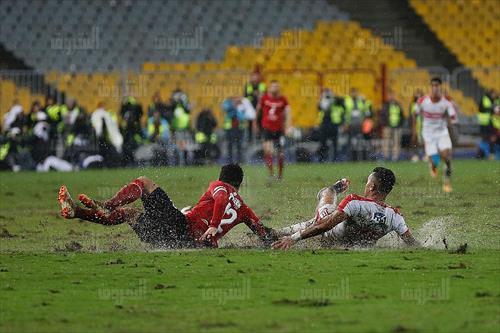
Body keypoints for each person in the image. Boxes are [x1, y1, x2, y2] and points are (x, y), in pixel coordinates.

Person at [57, 164, 277, 249]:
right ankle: (76, 212)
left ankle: (106, 205)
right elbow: (262, 233)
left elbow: (220, 200)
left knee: (144, 182)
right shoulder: (245, 209)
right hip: (181, 242)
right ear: (239, 184)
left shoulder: (220, 187)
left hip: (180, 227)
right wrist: (291, 235)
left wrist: (213, 224)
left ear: (222, 178)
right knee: (130, 214)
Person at [272, 167, 419, 249]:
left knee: (326, 194)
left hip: (329, 236)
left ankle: (336, 188)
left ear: (372, 186)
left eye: (367, 182)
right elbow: (413, 244)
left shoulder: (355, 202)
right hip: (352, 244)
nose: (366, 185)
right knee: (316, 221)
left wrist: (293, 239)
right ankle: (276, 233)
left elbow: (324, 225)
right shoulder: (396, 217)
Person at [411, 77, 458, 193]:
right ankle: (433, 166)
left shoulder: (446, 101)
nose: (435, 88)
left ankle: (447, 183)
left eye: (437, 86)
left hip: (442, 132)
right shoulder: (422, 101)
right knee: (433, 161)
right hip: (428, 133)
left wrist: (451, 125)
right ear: (430, 87)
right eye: (433, 86)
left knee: (446, 157)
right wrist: (414, 132)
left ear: (440, 87)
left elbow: (453, 118)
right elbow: (415, 114)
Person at [254, 80, 291, 180]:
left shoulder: (283, 99)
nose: (274, 88)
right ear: (270, 88)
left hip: (279, 130)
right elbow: (258, 110)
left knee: (280, 153)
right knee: (268, 151)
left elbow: (288, 113)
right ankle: (271, 174)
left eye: (276, 86)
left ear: (279, 88)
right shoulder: (264, 98)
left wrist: (288, 126)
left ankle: (280, 175)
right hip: (267, 128)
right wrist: (255, 124)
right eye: (273, 86)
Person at [317, 89, 345, 162]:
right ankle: (322, 159)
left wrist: (333, 97)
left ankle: (335, 159)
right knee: (323, 143)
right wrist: (322, 97)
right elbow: (319, 107)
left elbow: (341, 101)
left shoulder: (335, 101)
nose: (327, 96)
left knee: (335, 143)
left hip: (333, 124)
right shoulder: (323, 101)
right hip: (324, 124)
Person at [380, 92, 405, 161]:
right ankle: (386, 156)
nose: (391, 97)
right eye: (390, 95)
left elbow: (402, 115)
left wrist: (400, 124)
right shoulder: (385, 105)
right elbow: (382, 115)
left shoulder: (398, 105)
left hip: (397, 126)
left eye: (392, 95)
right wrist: (384, 124)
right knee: (386, 142)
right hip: (387, 126)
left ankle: (395, 157)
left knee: (396, 142)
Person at [244, 72, 266, 141]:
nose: (255, 78)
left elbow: (265, 95)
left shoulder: (262, 85)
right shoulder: (248, 85)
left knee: (260, 122)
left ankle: (259, 138)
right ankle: (250, 139)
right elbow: (245, 96)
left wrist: (259, 95)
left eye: (256, 76)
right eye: (253, 76)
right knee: (250, 123)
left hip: (259, 107)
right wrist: (254, 94)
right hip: (250, 107)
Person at [222, 97, 245, 164]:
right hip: (230, 129)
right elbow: (227, 111)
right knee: (230, 145)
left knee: (239, 145)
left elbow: (242, 117)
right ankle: (230, 160)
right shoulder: (229, 106)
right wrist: (234, 107)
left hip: (238, 129)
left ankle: (239, 160)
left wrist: (237, 109)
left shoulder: (241, 107)